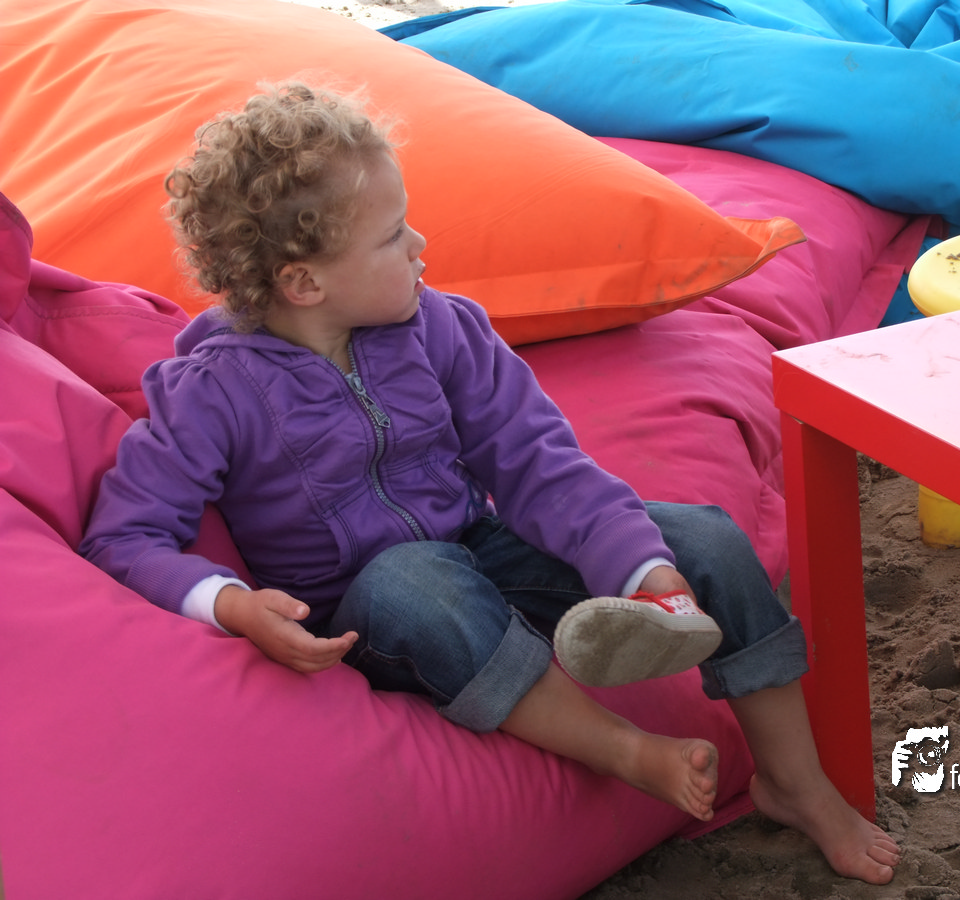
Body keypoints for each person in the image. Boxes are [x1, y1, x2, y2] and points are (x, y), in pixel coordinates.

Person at [80, 82, 900, 885]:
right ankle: (627, 751)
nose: (419, 245)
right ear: (304, 284)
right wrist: (230, 604)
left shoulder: (442, 327)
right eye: (392, 236)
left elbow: (539, 463)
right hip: (372, 614)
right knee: (415, 580)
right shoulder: (210, 391)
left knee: (707, 537)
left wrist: (642, 570)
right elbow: (124, 536)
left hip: (482, 548)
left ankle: (795, 782)